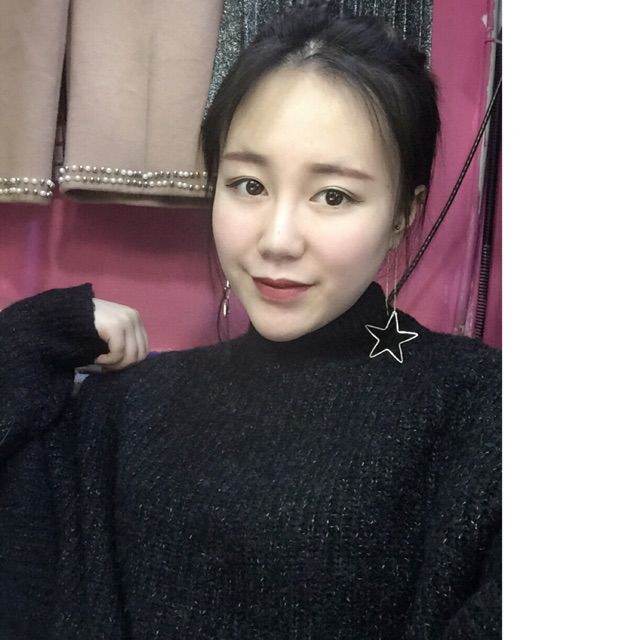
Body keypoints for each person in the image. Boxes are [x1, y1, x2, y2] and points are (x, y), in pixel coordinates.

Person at [0, 3, 501, 639]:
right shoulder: (128, 408)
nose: (277, 240)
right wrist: (33, 336)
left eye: (334, 196)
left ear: (403, 213)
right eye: (249, 186)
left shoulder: (478, 407)